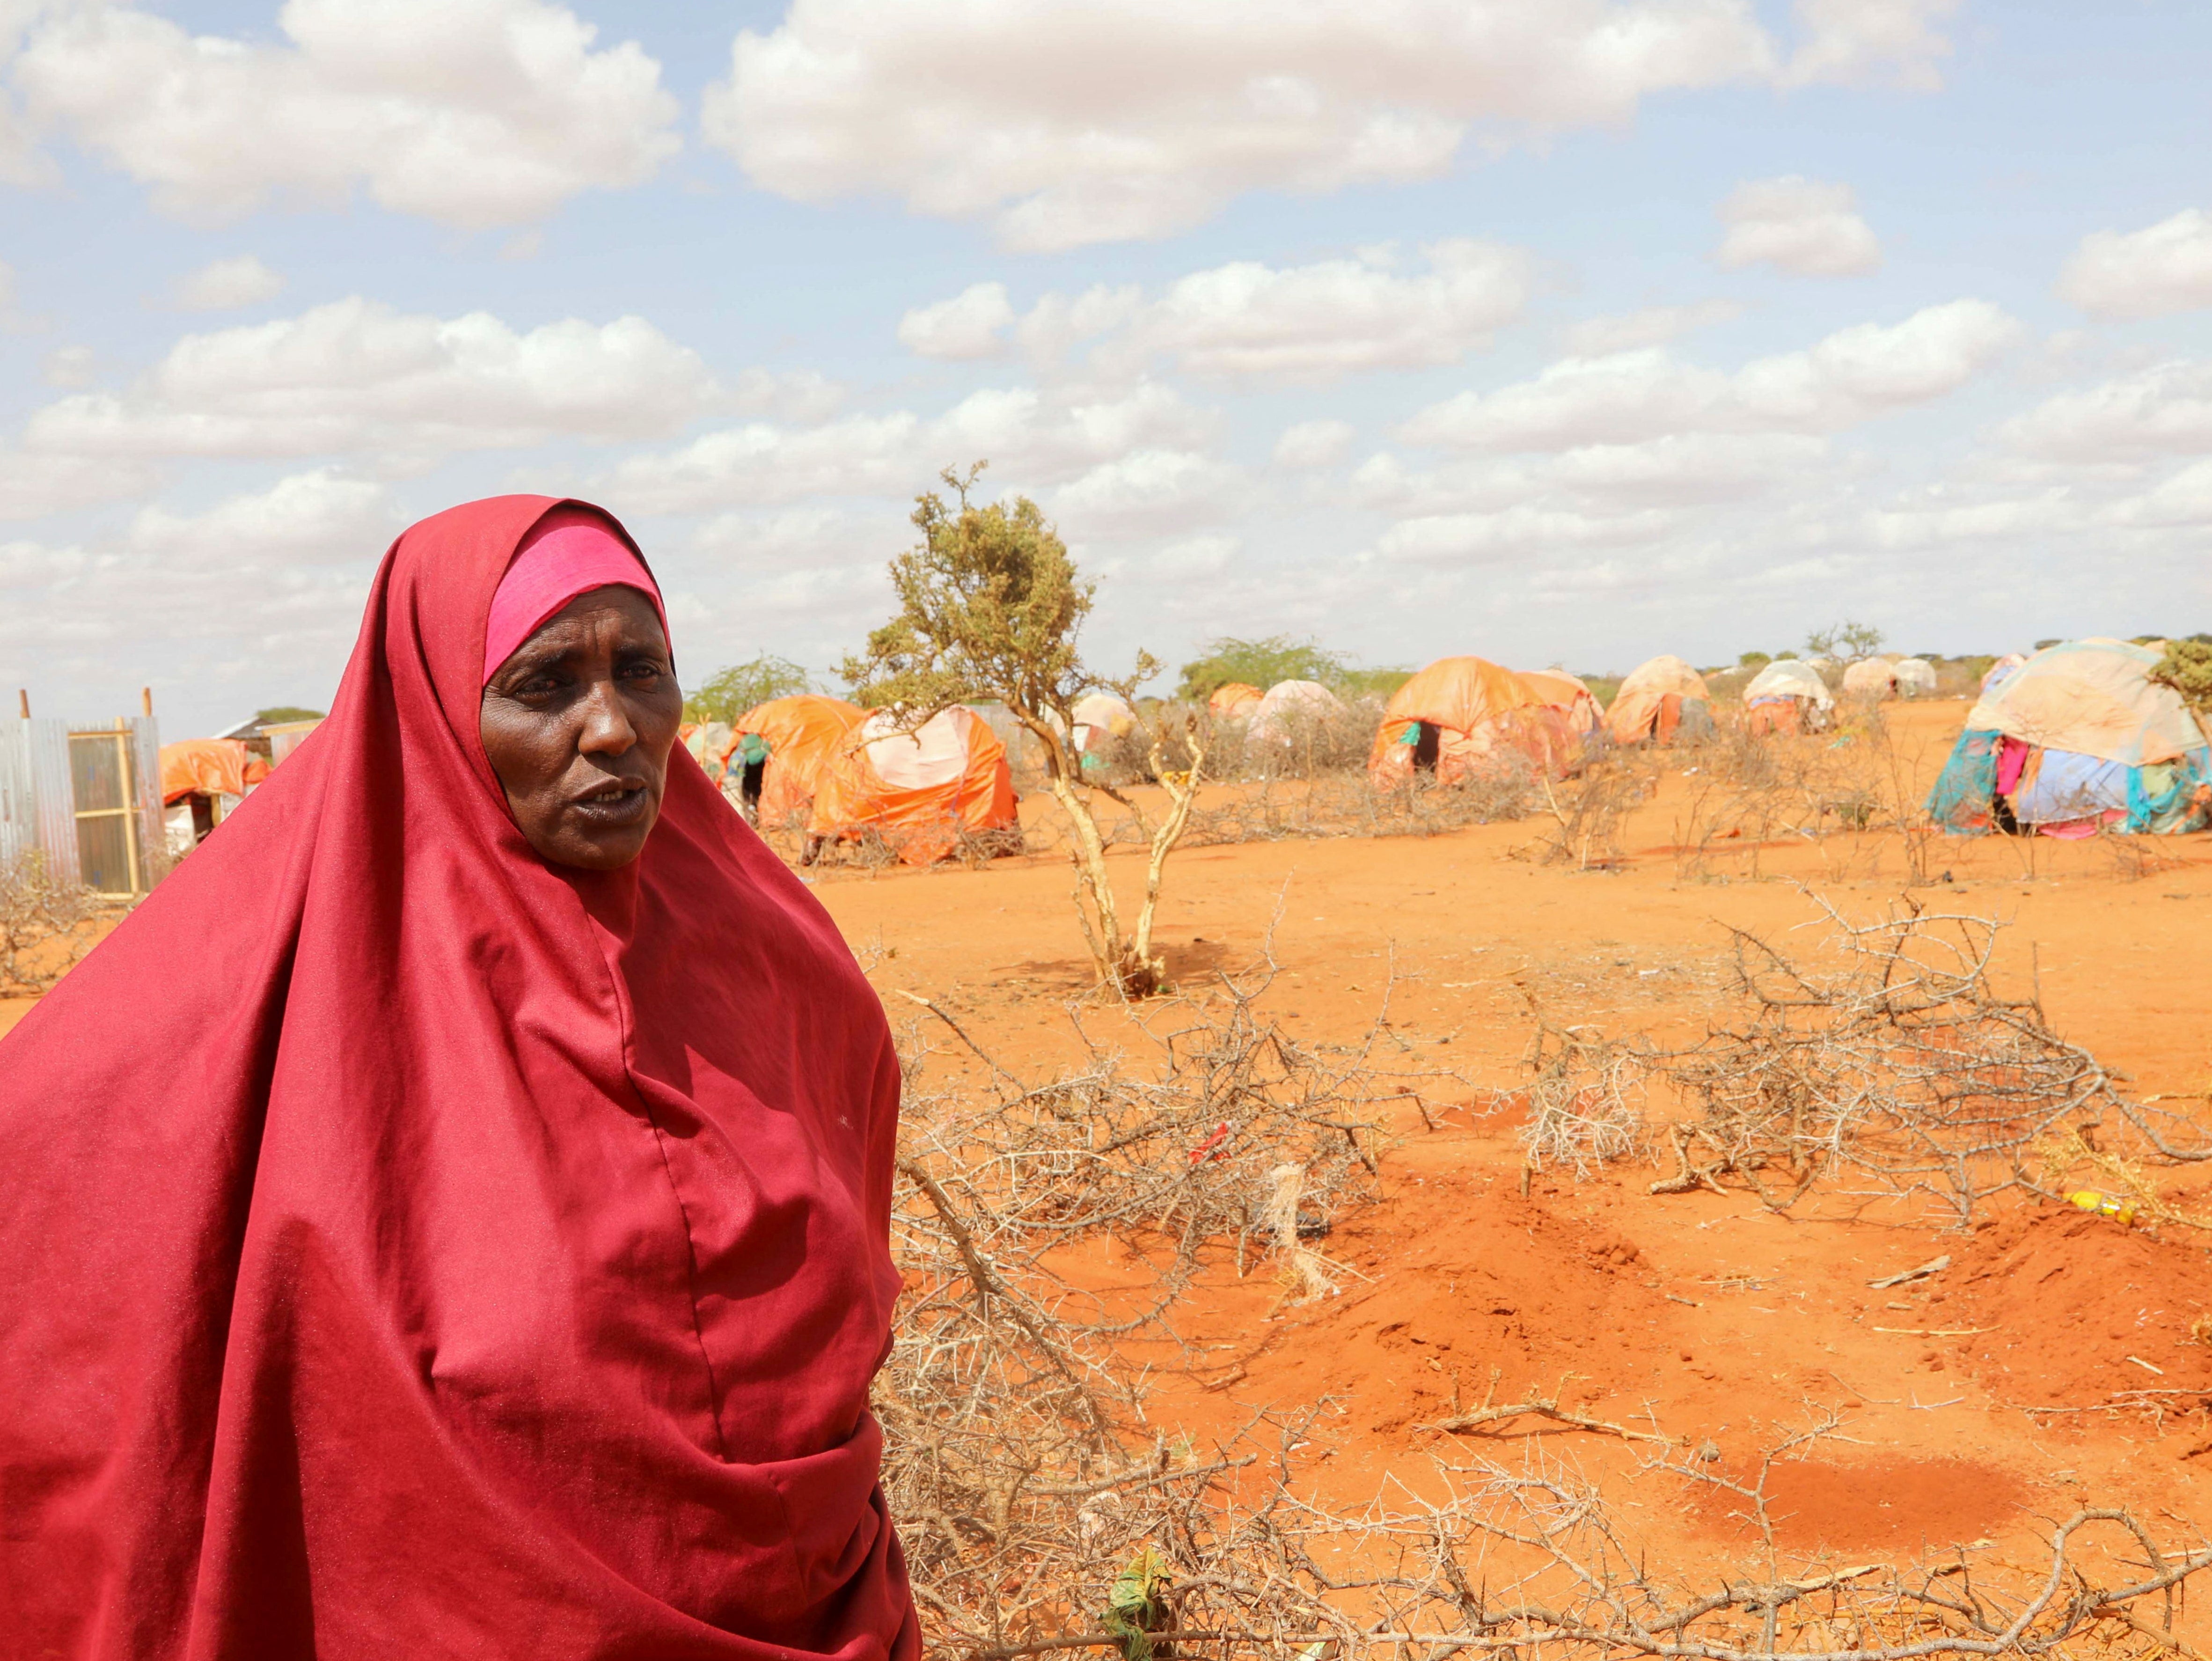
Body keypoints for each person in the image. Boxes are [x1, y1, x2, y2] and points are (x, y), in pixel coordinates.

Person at [0, 497, 917, 1659]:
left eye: (643, 671)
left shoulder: (780, 966)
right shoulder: (275, 988)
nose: (613, 728)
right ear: (435, 707)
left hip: (806, 1599)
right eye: (545, 685)